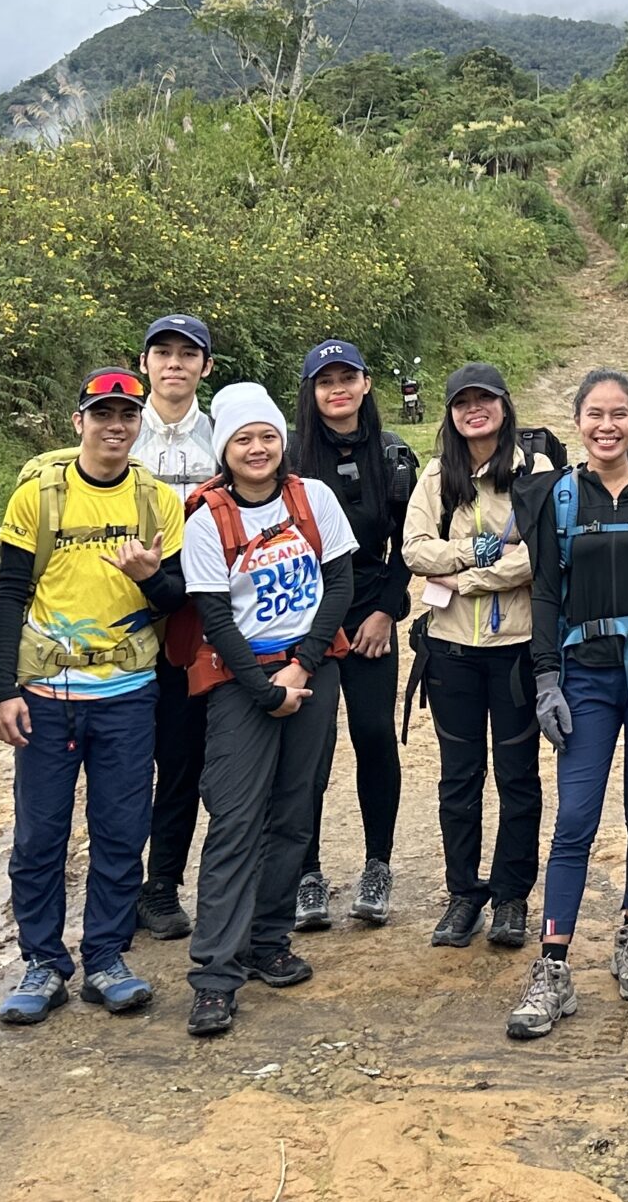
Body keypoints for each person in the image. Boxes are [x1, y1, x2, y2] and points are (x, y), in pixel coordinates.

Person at [0, 368, 188, 1025]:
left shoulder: (158, 500)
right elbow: (10, 594)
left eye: (127, 416)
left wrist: (151, 576)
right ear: (79, 422)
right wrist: (1, 691)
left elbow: (176, 600)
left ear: (141, 424)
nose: (115, 426)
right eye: (102, 414)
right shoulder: (38, 497)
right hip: (47, 694)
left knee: (121, 830)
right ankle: (43, 962)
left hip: (130, 693)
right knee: (40, 835)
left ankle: (106, 957)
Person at [507, 369, 628, 1040]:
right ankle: (554, 966)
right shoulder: (558, 497)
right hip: (584, 676)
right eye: (596, 414)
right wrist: (544, 680)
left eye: (620, 413)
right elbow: (546, 594)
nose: (608, 425)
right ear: (579, 422)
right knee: (576, 817)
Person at [180, 382, 358, 1037]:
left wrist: (303, 665)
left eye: (266, 436)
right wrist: (265, 690)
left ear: (281, 440)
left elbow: (338, 583)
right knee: (234, 821)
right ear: (224, 448)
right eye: (242, 439)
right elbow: (215, 615)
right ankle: (214, 976)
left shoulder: (314, 499)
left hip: (310, 671)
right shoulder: (206, 518)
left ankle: (268, 940)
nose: (256, 448)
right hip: (240, 681)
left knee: (293, 813)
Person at [400, 362, 551, 950]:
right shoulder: (439, 475)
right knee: (458, 777)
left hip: (515, 649)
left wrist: (474, 580)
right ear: (451, 414)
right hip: (452, 649)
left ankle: (512, 896)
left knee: (518, 776)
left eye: (484, 399)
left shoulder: (535, 470)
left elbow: (542, 552)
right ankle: (464, 893)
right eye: (462, 402)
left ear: (505, 405)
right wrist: (477, 554)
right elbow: (415, 550)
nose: (473, 410)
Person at [288, 339, 416, 930]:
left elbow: (410, 542)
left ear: (366, 384)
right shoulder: (288, 458)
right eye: (324, 381)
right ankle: (306, 872)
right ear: (311, 393)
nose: (337, 389)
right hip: (301, 611)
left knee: (371, 734)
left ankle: (378, 864)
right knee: (307, 750)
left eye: (348, 377)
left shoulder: (392, 455)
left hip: (369, 609)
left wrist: (387, 611)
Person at [130, 313, 216, 944]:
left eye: (189, 354)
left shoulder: (228, 438)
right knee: (134, 763)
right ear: (145, 364)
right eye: (163, 352)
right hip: (123, 621)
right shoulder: (118, 432)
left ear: (206, 367)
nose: (175, 364)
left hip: (200, 621)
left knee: (191, 758)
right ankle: (132, 884)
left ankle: (172, 885)